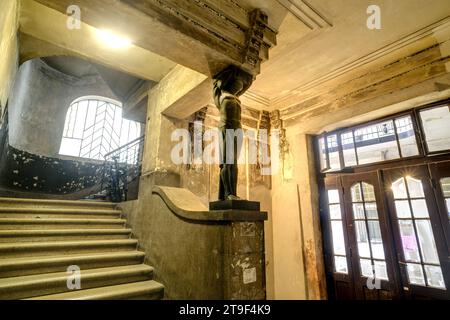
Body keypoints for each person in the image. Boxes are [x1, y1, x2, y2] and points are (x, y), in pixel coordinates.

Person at [212, 65, 253, 201]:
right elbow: (218, 81)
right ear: (231, 84)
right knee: (227, 162)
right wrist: (234, 70)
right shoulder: (222, 94)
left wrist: (249, 77)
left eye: (240, 88)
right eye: (237, 86)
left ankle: (233, 193)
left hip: (237, 128)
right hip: (226, 127)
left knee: (234, 163)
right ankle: (228, 193)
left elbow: (247, 84)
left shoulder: (235, 97)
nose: (239, 89)